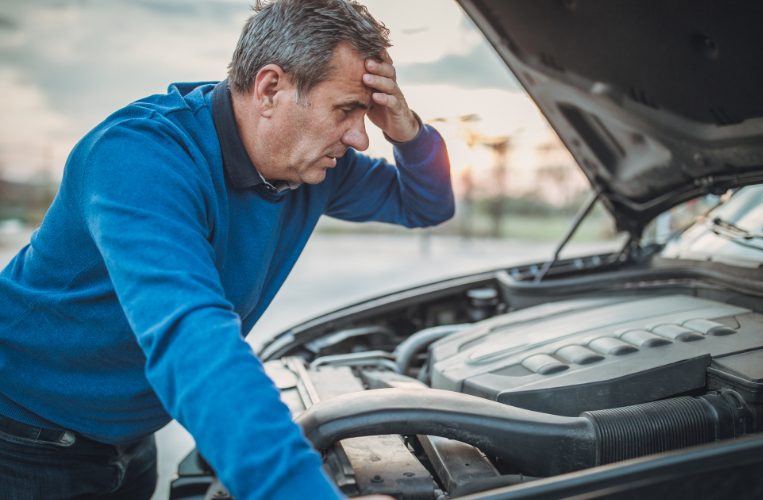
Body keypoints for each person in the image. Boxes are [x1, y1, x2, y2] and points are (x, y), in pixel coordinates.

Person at [0, 0, 453, 499]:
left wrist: (408, 131)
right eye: (346, 110)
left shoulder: (316, 165)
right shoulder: (141, 158)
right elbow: (193, 339)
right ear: (270, 89)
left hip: (128, 434)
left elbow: (426, 205)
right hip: (25, 435)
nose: (361, 138)